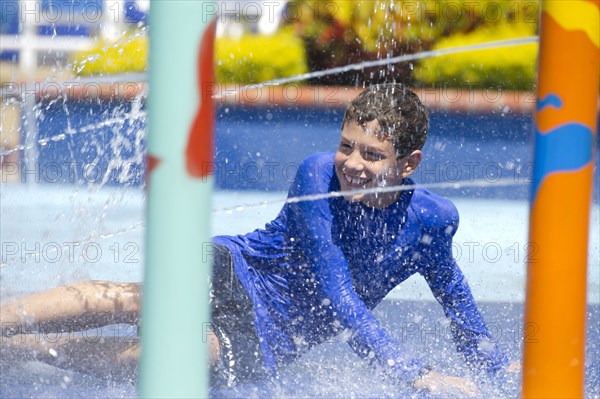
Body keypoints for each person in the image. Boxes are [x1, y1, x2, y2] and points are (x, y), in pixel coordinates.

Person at [1, 83, 513, 396]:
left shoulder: (434, 221)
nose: (353, 164)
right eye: (346, 147)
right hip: (236, 267)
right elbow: (339, 292)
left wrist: (501, 370)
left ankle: (22, 348)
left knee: (170, 356)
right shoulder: (318, 176)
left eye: (372, 155)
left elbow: (458, 305)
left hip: (273, 337)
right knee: (138, 301)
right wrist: (413, 371)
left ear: (409, 163)